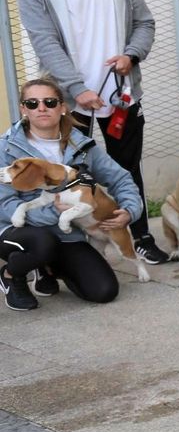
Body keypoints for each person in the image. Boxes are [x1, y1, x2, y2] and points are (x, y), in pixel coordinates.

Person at [17, 0, 166, 264]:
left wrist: (131, 55)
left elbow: (144, 23)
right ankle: (73, 248)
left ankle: (140, 236)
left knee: (127, 168)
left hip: (120, 95)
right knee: (66, 174)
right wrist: (76, 87)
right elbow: (44, 41)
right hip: (67, 101)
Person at [0, 77, 142, 309]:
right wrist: (52, 212)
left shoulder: (82, 145)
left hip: (66, 232)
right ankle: (11, 276)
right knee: (42, 242)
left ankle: (47, 268)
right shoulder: (5, 147)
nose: (42, 108)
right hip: (15, 229)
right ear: (23, 109)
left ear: (63, 107)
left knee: (103, 290)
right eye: (33, 103)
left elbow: (121, 178)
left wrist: (129, 209)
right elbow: (3, 205)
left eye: (50, 102)